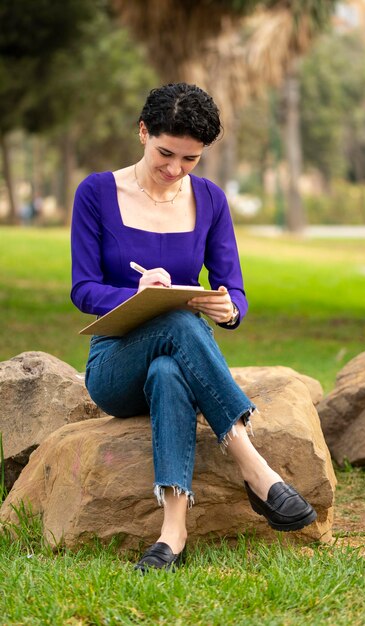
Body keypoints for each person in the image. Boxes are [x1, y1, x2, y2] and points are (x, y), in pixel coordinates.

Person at [70, 83, 316, 573]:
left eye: (190, 159)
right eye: (165, 153)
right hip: (115, 363)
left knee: (168, 371)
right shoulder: (96, 192)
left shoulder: (210, 200)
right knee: (178, 320)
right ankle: (253, 466)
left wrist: (229, 310)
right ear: (143, 132)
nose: (175, 169)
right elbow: (83, 289)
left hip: (178, 360)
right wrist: (135, 297)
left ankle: (172, 534)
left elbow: (234, 290)